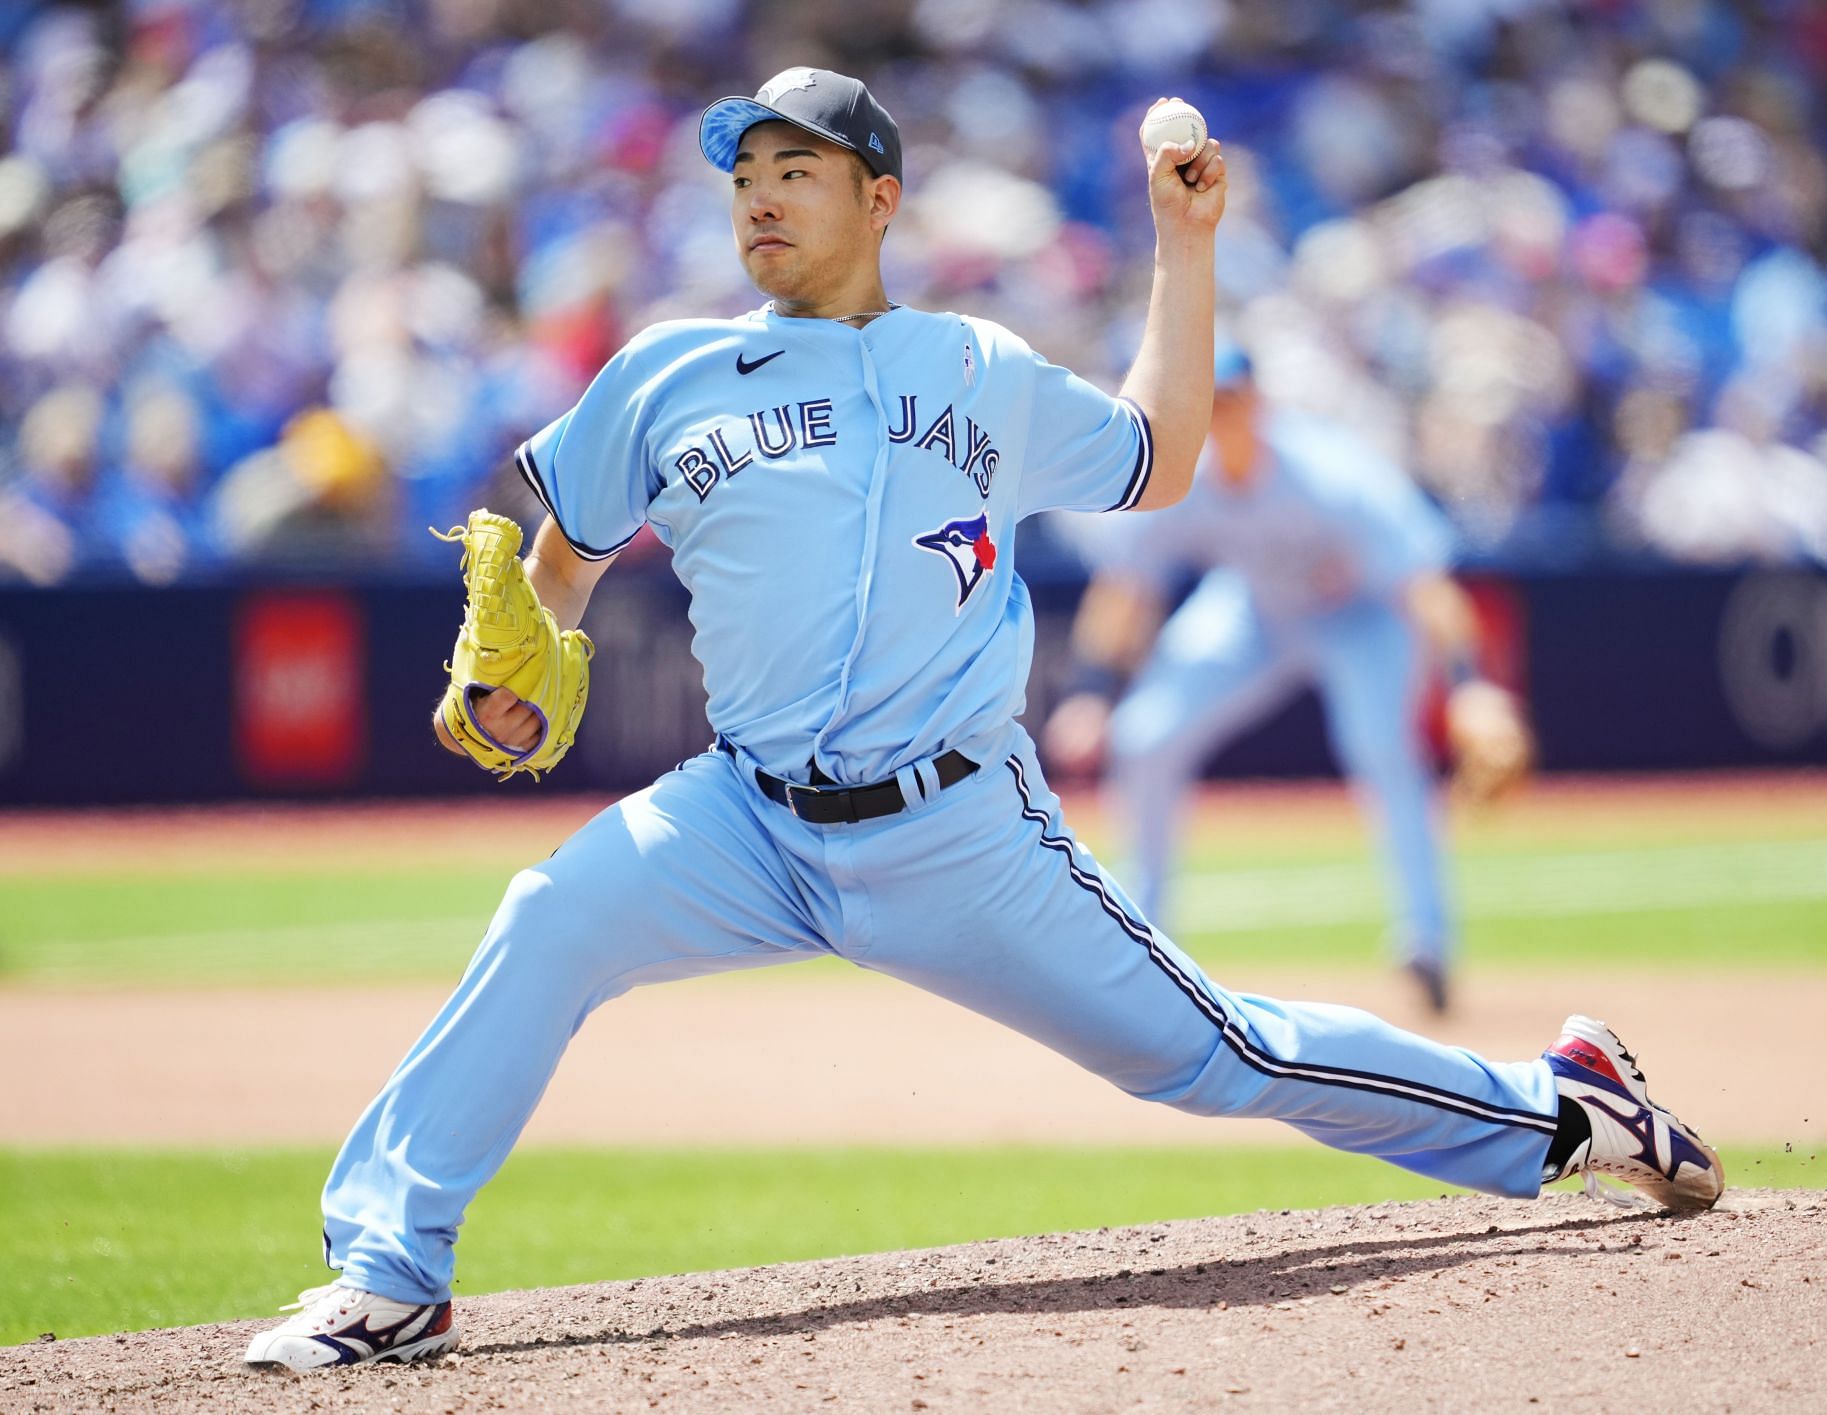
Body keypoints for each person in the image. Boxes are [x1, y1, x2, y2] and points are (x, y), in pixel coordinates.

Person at [244, 69, 1721, 1372]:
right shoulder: (662, 371)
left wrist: (1182, 248)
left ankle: (1557, 1104)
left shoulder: (978, 368)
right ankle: (391, 1270)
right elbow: (556, 566)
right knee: (549, 914)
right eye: (744, 175)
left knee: (1220, 1053)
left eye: (796, 171)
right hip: (743, 817)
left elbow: (1158, 457)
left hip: (959, 829)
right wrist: (522, 661)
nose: (757, 198)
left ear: (879, 199)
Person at [1042, 345, 1535, 1013]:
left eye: (1231, 399)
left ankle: (1428, 941)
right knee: (1144, 736)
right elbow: (1127, 590)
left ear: (1259, 402)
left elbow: (1425, 588)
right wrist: (1091, 693)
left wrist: (1472, 684)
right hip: (1255, 609)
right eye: (1207, 401)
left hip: (1359, 618)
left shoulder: (1330, 472)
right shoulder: (1181, 473)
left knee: (1384, 751)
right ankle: (1146, 940)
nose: (1219, 414)